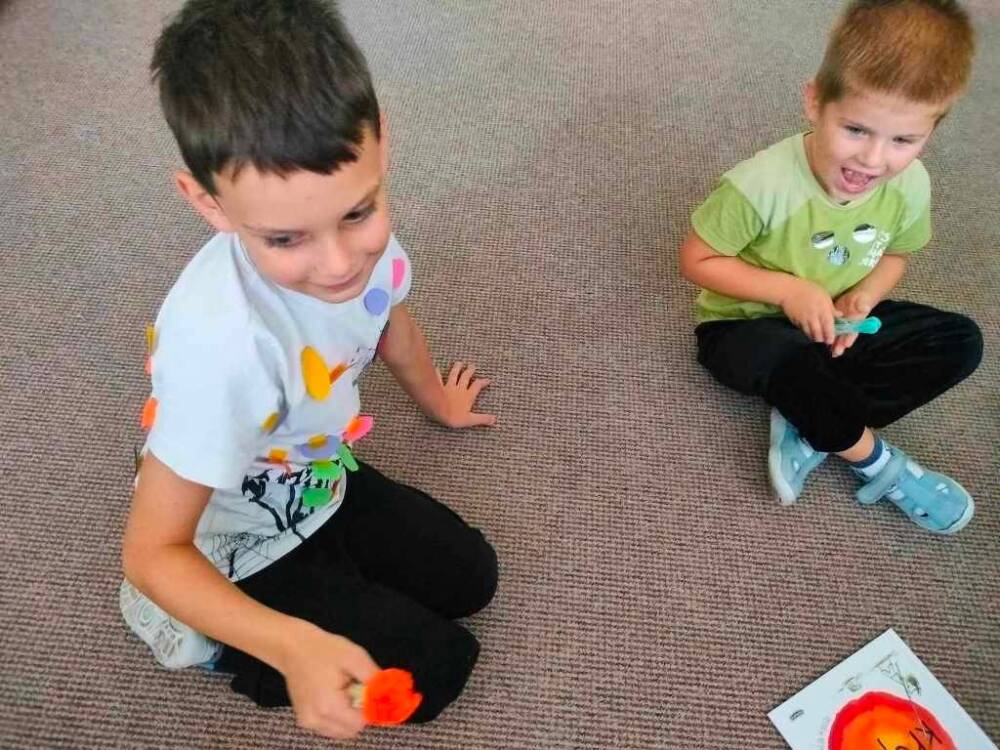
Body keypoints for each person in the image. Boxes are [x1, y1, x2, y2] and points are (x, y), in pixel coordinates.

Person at [120, 0, 499, 740]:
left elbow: (387, 321)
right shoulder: (222, 352)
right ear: (206, 202)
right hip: (226, 541)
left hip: (312, 470)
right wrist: (291, 648)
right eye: (286, 238)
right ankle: (207, 638)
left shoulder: (366, 252)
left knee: (470, 577)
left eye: (358, 213)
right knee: (438, 667)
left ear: (381, 137)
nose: (339, 264)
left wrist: (437, 403)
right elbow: (150, 552)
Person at [679, 0, 982, 533]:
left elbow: (896, 254)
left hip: (836, 325)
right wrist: (787, 291)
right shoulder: (760, 186)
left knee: (960, 341)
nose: (873, 159)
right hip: (744, 325)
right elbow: (695, 259)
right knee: (790, 365)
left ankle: (810, 415)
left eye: (904, 140)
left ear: (931, 130)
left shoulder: (911, 185)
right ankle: (878, 463)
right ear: (816, 102)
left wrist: (864, 296)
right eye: (857, 129)